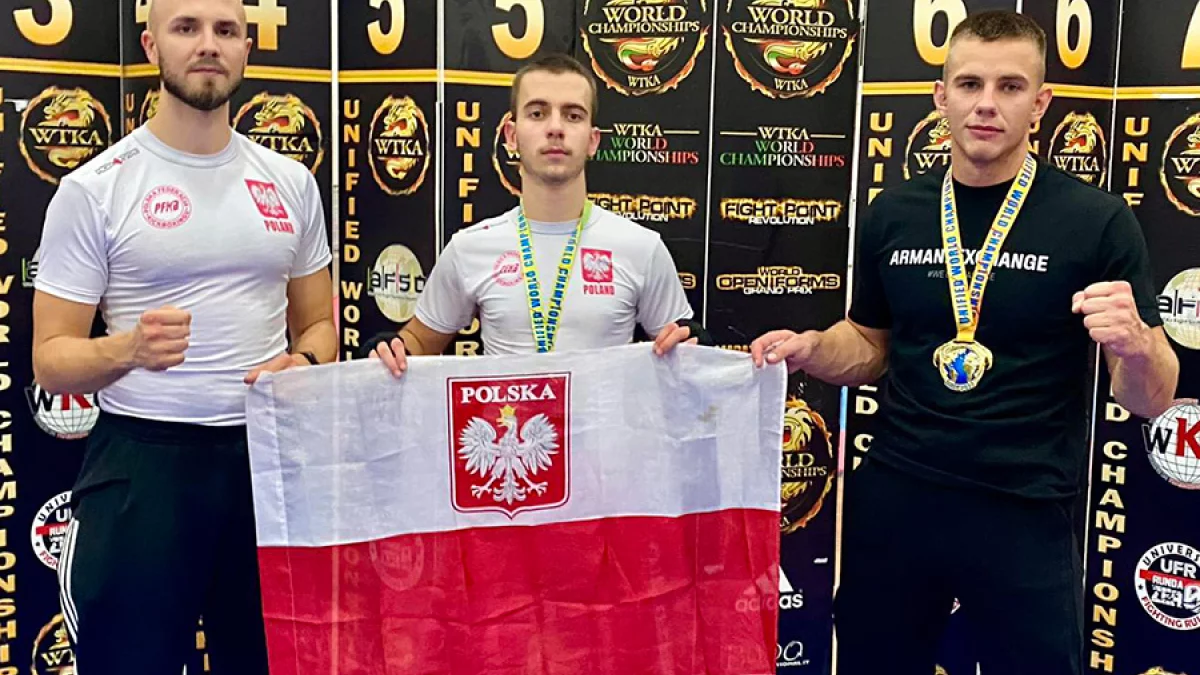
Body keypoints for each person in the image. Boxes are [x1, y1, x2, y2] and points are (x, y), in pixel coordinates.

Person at [751, 11, 1177, 675]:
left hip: (1023, 505)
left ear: (1041, 103)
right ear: (940, 96)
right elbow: (868, 343)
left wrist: (1137, 346)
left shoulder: (1096, 221)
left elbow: (1151, 398)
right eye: (970, 83)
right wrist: (813, 348)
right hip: (900, 493)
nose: (986, 104)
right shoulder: (895, 212)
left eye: (1010, 86)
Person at [30, 0, 334, 671]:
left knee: (268, 661)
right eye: (186, 28)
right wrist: (128, 350)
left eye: (226, 30)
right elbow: (50, 360)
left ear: (247, 48)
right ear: (151, 46)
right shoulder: (95, 189)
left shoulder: (290, 183)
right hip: (144, 463)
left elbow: (319, 322)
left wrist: (306, 361)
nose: (208, 45)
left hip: (263, 463)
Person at [366, 53, 704, 372]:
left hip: (606, 419)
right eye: (538, 113)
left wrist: (695, 345)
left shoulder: (641, 247)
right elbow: (419, 342)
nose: (555, 128)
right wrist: (392, 349)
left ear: (593, 141)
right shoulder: (469, 247)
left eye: (573, 115)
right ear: (511, 136)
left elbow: (684, 353)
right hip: (507, 417)